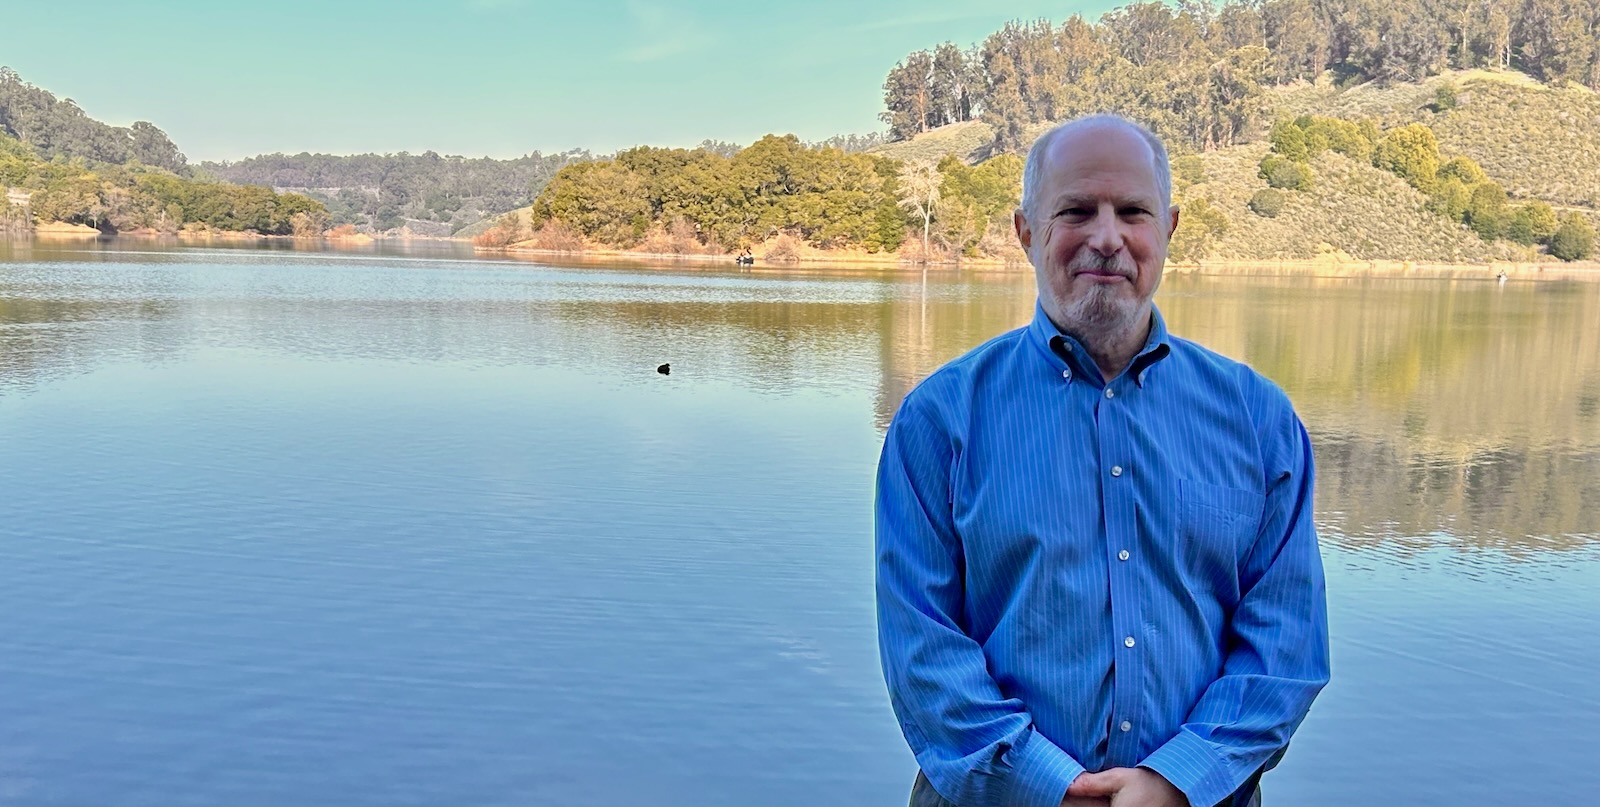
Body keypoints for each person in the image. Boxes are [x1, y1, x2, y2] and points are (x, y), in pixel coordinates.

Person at [875, 115, 1330, 807]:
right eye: (1076, 211)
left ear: (1169, 228)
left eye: (1133, 212)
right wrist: (1046, 784)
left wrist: (1178, 778)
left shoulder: (1258, 419)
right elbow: (922, 646)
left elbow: (1285, 643)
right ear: (1026, 231)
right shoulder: (940, 420)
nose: (1107, 237)